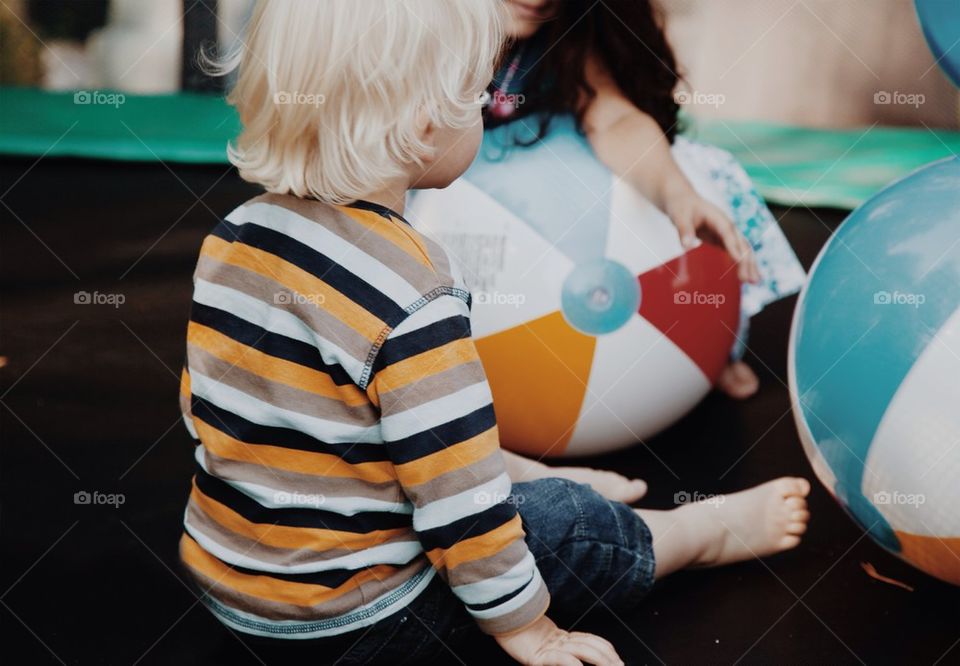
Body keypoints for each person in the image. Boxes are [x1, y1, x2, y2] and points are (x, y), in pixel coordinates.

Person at [176, 2, 811, 664]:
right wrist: (528, 632)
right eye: (474, 96)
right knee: (563, 522)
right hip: (366, 625)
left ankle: (533, 473)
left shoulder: (234, 238)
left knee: (418, 438)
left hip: (236, 602)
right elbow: (463, 508)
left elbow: (214, 416)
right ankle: (695, 532)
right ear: (426, 126)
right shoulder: (413, 290)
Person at [489, 0, 807, 400]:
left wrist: (677, 194)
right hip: (471, 195)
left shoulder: (567, 41)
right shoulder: (420, 33)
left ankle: (709, 345)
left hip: (562, 179)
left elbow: (614, 119)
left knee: (699, 169)